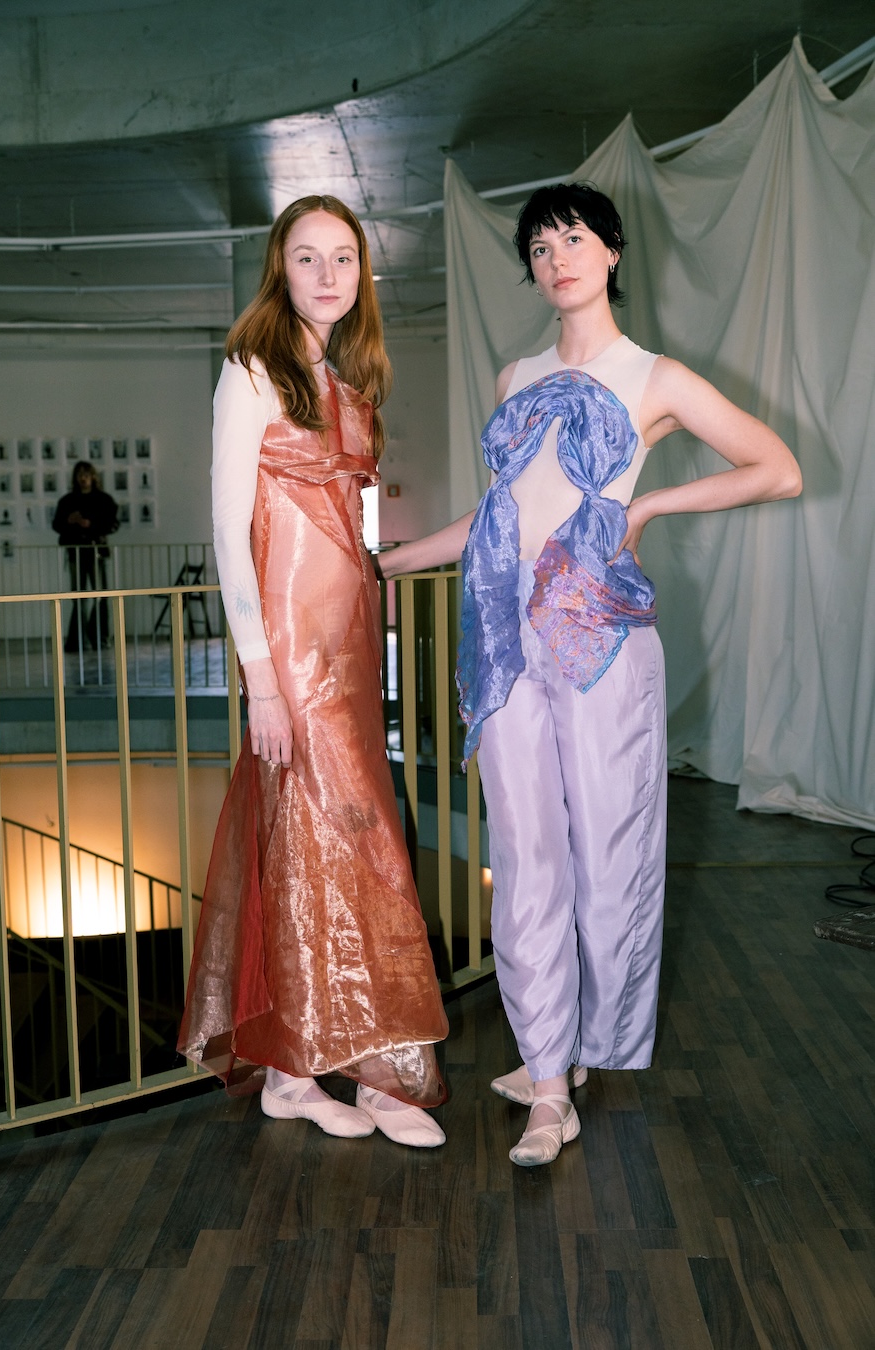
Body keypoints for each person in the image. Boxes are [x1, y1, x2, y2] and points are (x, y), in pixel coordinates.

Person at [379, 183, 801, 1167]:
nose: (556, 257)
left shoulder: (653, 376)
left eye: (572, 238)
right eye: (539, 246)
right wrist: (390, 563)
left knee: (609, 855)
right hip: (507, 639)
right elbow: (500, 515)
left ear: (610, 252)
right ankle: (545, 1073)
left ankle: (579, 1051)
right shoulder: (516, 374)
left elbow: (776, 467)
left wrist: (644, 510)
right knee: (526, 856)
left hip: (601, 637)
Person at [178, 195, 449, 1147]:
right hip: (290, 655)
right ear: (279, 268)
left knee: (335, 841)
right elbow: (228, 528)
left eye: (344, 257)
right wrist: (259, 677)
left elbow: (348, 531)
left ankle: (301, 1074)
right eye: (308, 257)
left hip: (350, 644)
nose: (328, 275)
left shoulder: (344, 372)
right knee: (329, 842)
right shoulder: (252, 366)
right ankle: (364, 1071)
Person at [51, 460, 119, 651]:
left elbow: (113, 524)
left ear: (93, 477)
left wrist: (92, 525)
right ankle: (77, 640)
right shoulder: (67, 501)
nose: (83, 478)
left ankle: (100, 638)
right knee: (78, 596)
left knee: (100, 594)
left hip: (96, 551)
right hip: (76, 552)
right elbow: (56, 525)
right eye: (80, 475)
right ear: (75, 477)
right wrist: (69, 521)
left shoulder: (103, 500)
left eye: (86, 475)